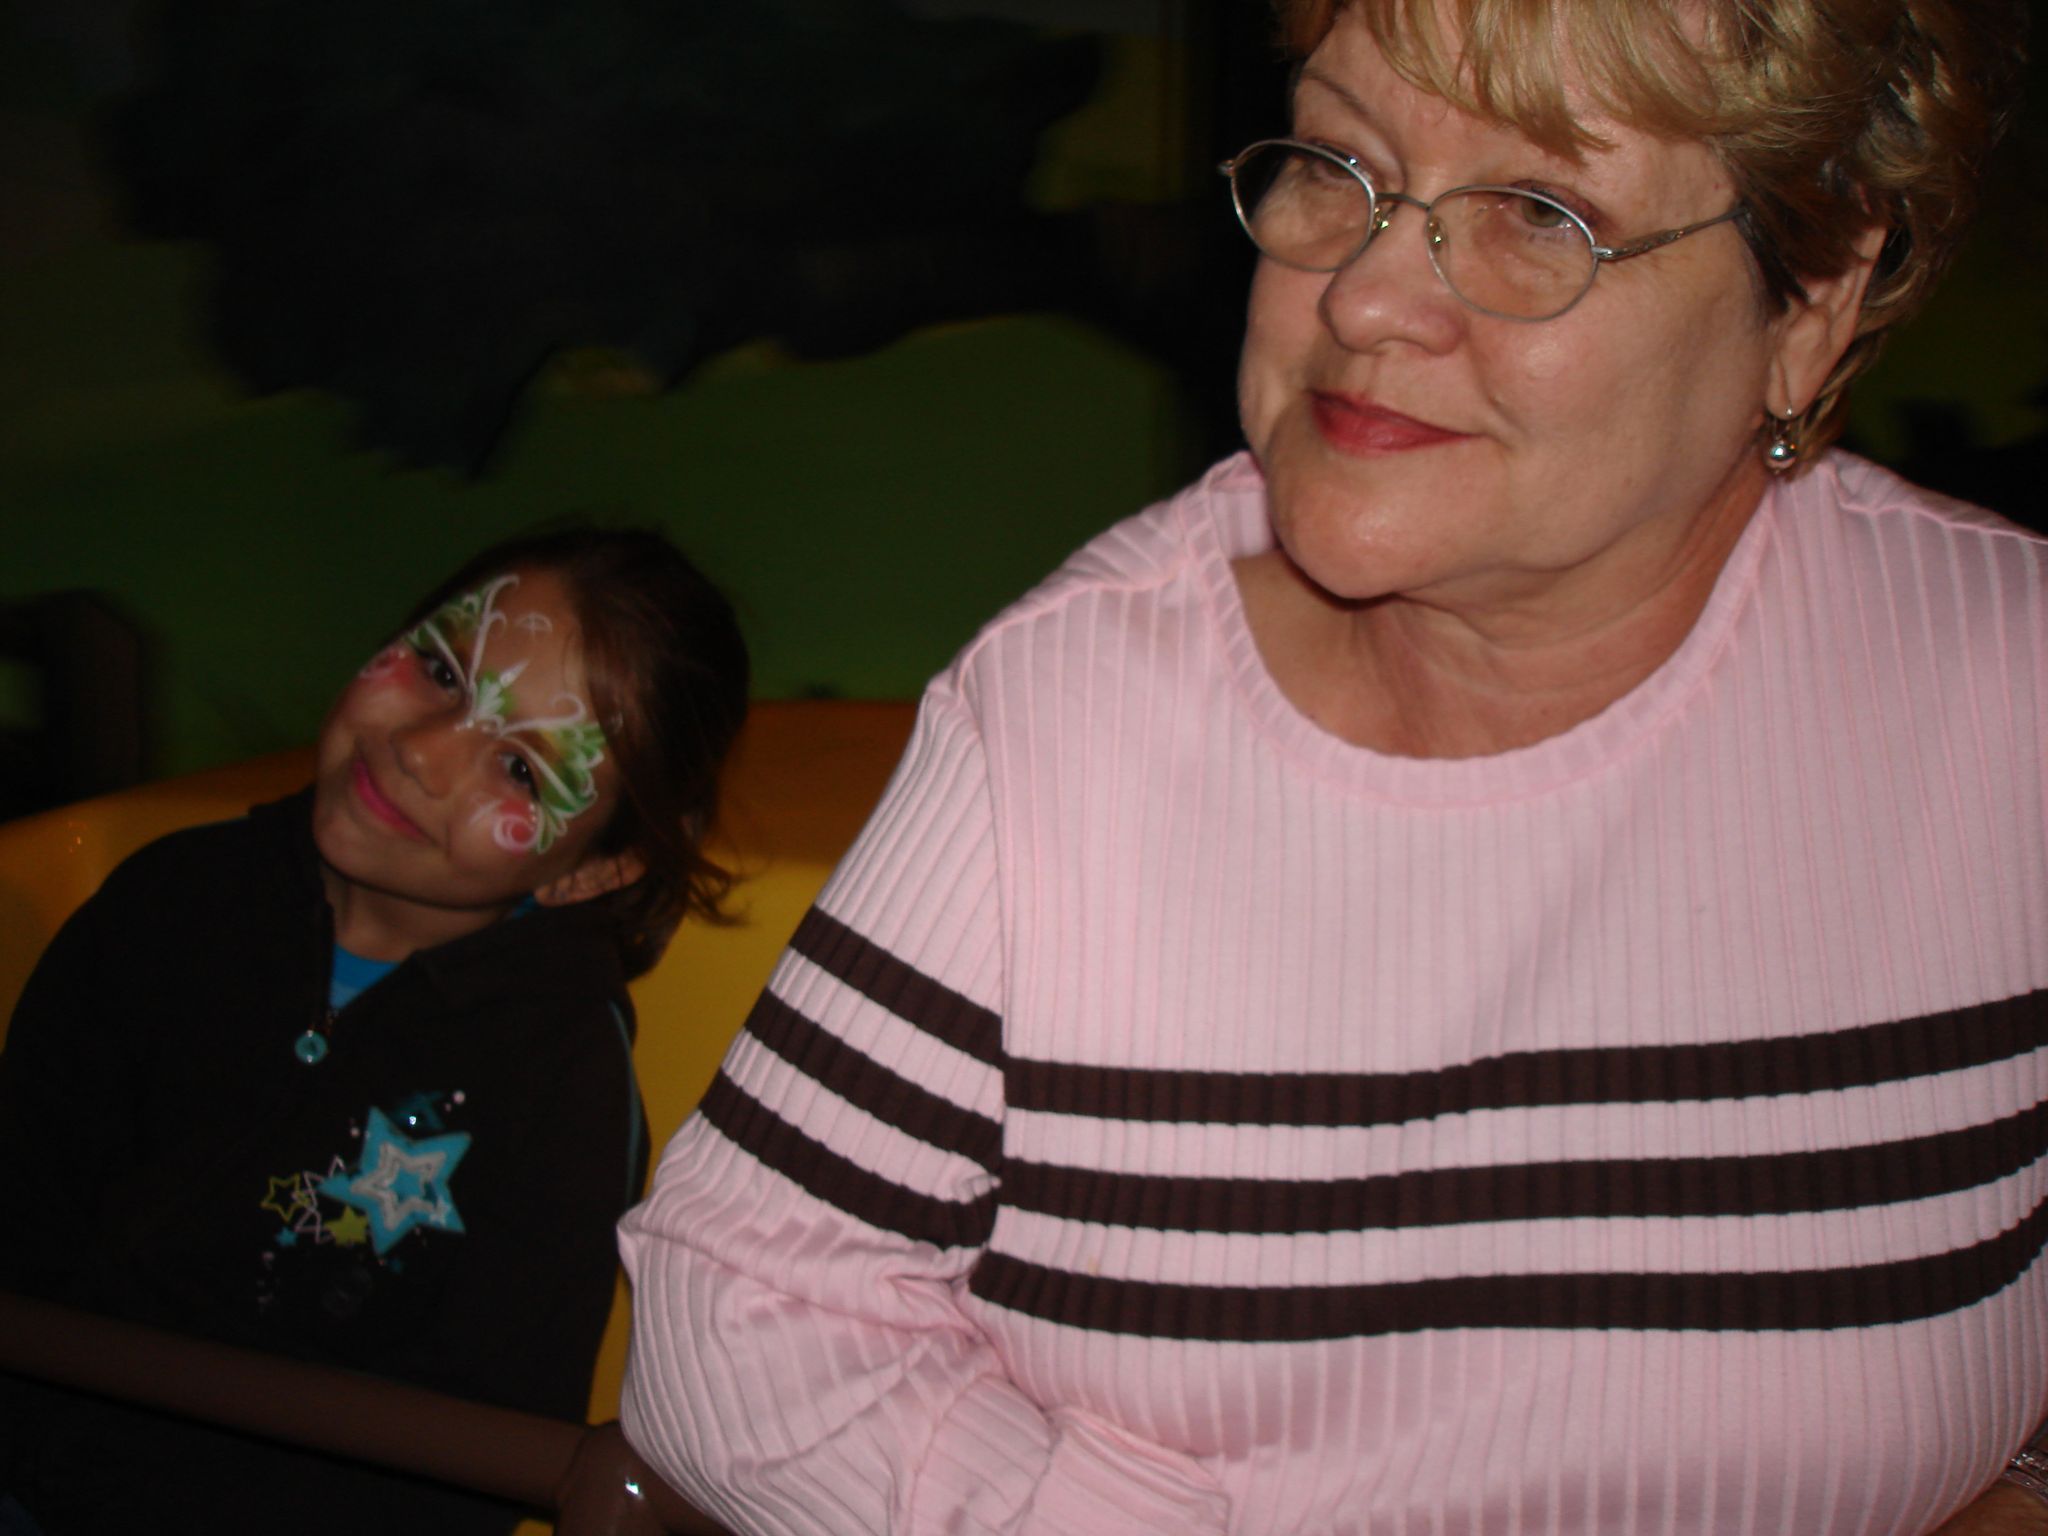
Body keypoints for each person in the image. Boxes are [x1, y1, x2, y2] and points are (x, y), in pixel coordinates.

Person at [617, 0, 2046, 1531]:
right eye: (1336, 165)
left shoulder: (2012, 695)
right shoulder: (1066, 718)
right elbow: (746, 1316)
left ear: (1814, 300)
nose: (1365, 295)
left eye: (1537, 212)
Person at [0, 527, 749, 1533]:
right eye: (441, 670)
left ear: (594, 870)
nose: (421, 750)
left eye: (520, 768)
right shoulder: (166, 904)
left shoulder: (558, 1081)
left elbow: (485, 1446)